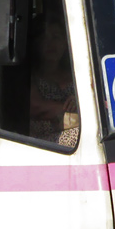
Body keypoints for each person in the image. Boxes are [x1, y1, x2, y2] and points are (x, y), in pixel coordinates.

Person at [28, 15, 79, 146]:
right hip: (43, 144)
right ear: (36, 43)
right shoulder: (29, 77)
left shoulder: (78, 75)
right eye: (44, 38)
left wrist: (79, 101)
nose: (51, 44)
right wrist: (80, 113)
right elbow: (37, 107)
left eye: (56, 37)